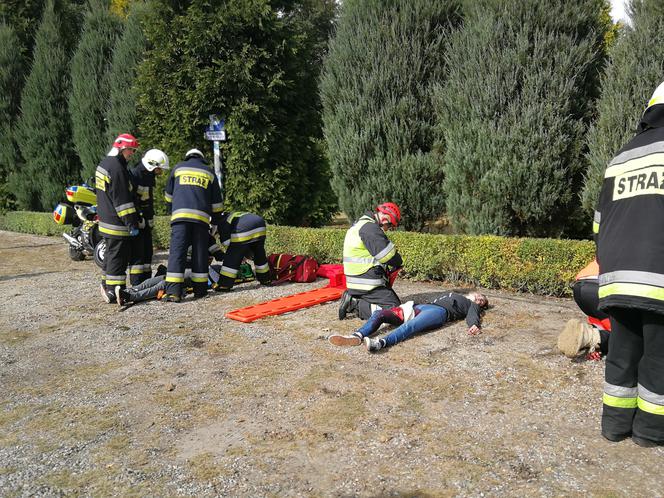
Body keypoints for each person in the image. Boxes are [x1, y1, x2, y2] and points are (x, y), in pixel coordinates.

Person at [594, 81, 664, 447]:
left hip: (618, 278)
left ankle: (614, 426)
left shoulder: (621, 157)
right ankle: (650, 432)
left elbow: (598, 222)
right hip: (660, 278)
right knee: (659, 359)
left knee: (621, 353)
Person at [329, 291, 488, 352]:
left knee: (411, 326)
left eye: (483, 301)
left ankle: (381, 343)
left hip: (438, 313)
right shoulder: (454, 294)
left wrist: (474, 324)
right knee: (380, 314)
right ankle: (356, 336)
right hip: (417, 307)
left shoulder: (471, 305)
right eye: (480, 296)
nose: (480, 300)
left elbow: (473, 314)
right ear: (473, 292)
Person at [163, 149, 223, 302]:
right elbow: (216, 203)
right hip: (200, 220)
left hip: (180, 219)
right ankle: (200, 291)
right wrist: (215, 222)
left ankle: (173, 293)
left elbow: (168, 196)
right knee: (200, 254)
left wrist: (173, 212)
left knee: (177, 253)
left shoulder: (178, 168)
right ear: (202, 158)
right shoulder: (209, 172)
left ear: (187, 157)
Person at [339, 202, 403, 320]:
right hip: (367, 283)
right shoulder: (370, 228)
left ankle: (356, 298)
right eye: (389, 226)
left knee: (392, 305)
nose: (388, 229)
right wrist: (398, 261)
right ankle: (355, 304)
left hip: (357, 281)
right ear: (385, 219)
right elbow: (387, 256)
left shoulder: (360, 224)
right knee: (396, 312)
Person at [96, 133, 141, 303]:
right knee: (118, 258)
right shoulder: (117, 168)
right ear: (122, 148)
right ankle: (114, 292)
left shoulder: (105, 164)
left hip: (106, 220)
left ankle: (106, 284)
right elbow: (122, 201)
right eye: (131, 150)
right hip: (117, 223)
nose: (132, 154)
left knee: (110, 254)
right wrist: (131, 223)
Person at [127, 149, 169, 285]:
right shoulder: (136, 175)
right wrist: (138, 219)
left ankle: (146, 282)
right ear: (152, 165)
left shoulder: (148, 175)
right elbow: (131, 200)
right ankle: (137, 284)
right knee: (138, 255)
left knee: (147, 254)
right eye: (159, 169)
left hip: (145, 223)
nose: (161, 172)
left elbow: (147, 201)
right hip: (137, 222)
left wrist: (149, 221)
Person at [557, 260, 611, 360]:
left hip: (580, 285)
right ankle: (589, 337)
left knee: (602, 323)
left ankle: (588, 338)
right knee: (628, 337)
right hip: (601, 287)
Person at [212, 211, 272, 291]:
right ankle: (265, 279)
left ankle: (224, 285)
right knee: (259, 253)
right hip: (260, 224)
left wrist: (240, 256)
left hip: (244, 227)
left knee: (232, 257)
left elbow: (228, 245)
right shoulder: (232, 215)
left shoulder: (222, 223)